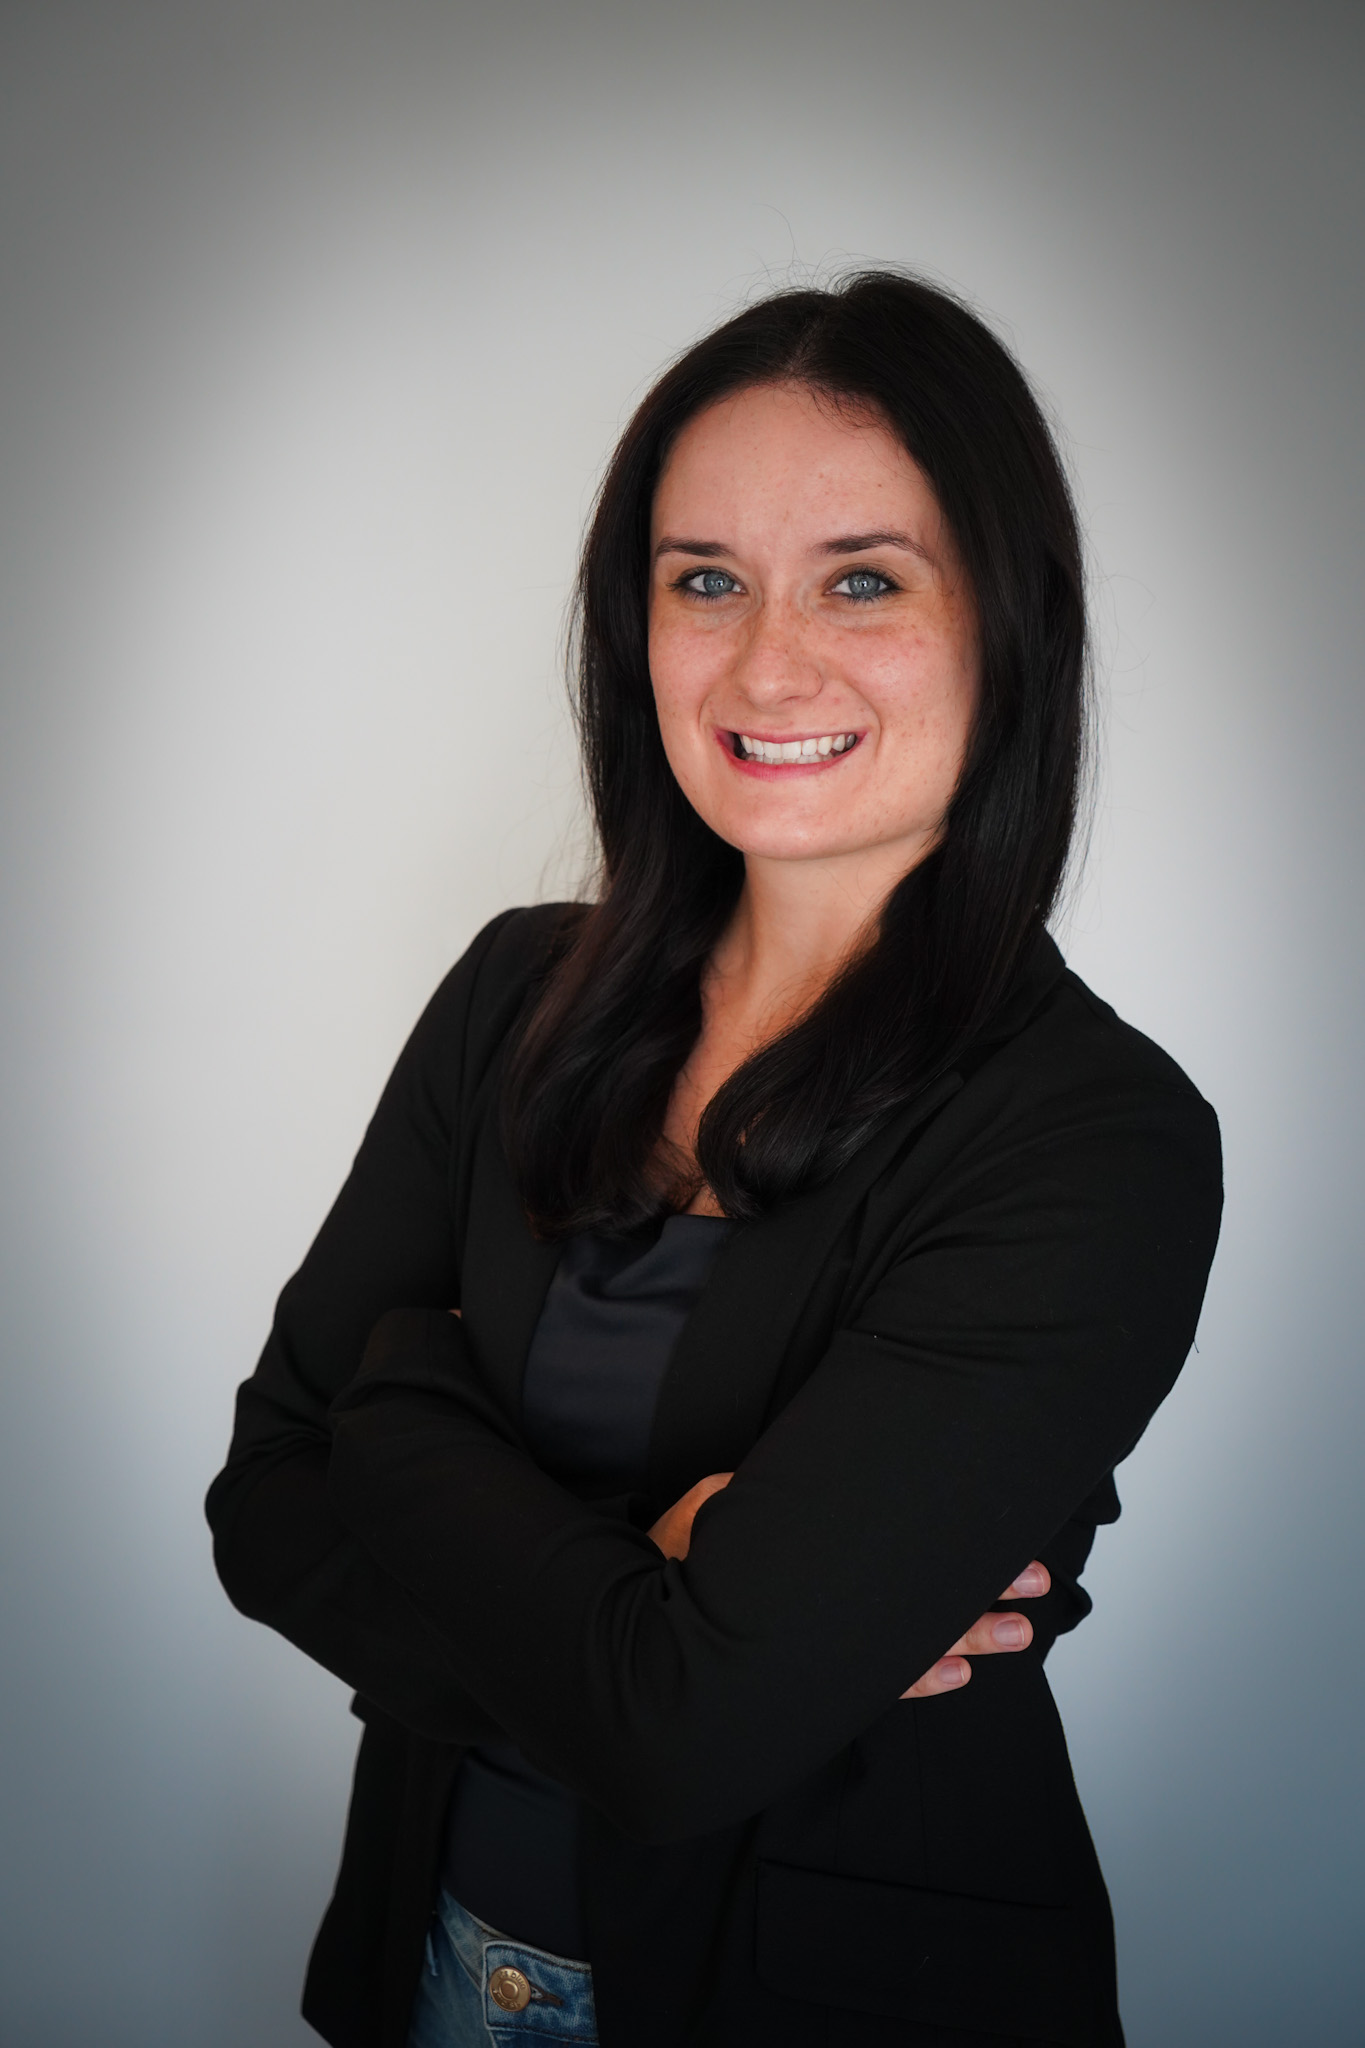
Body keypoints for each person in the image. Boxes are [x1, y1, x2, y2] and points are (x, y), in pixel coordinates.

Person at [206, 271, 1222, 2048]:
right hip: (432, 1953)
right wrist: (656, 1621)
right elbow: (266, 1516)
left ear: (1007, 620)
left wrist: (402, 1396)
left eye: (862, 578)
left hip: (836, 2000)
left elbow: (680, 1737)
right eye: (704, 582)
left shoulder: (1093, 1138)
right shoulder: (517, 995)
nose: (767, 662)